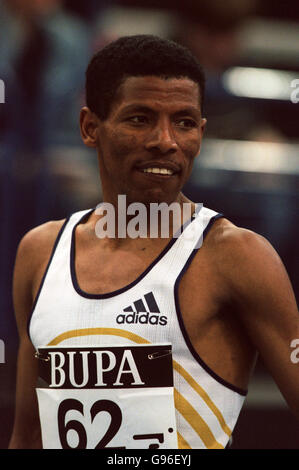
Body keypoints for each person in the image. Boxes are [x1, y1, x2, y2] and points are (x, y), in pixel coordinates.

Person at [9, 35, 299, 449]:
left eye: (183, 122)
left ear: (200, 131)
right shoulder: (40, 251)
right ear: (90, 128)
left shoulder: (235, 255)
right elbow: (28, 435)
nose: (166, 141)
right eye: (140, 118)